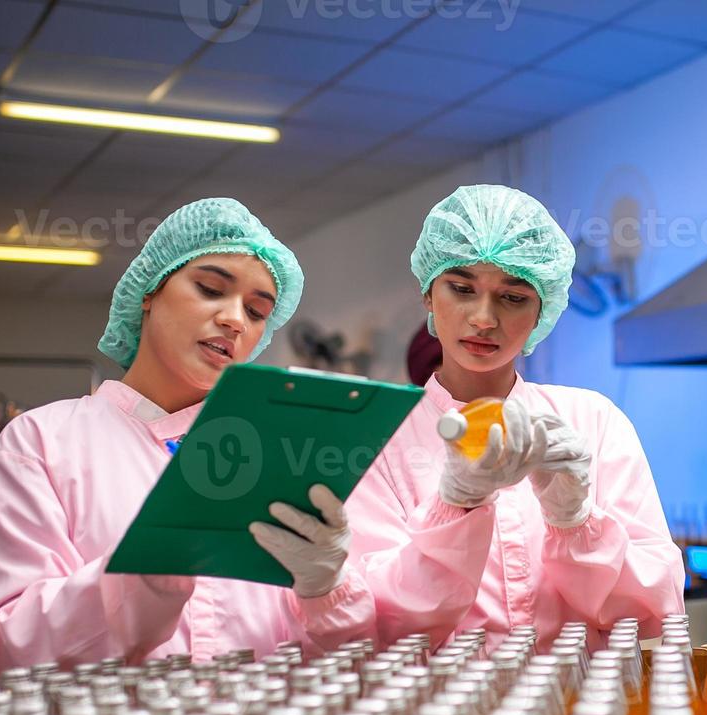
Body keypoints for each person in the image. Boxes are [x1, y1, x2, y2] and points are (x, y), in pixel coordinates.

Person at [0, 198, 371, 670]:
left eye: (257, 312)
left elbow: (337, 659)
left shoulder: (272, 454)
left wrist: (327, 590)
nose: (235, 320)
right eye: (210, 288)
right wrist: (142, 574)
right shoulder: (40, 443)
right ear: (149, 290)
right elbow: (7, 649)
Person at [280, 184, 684, 646]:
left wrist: (576, 521)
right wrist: (455, 507)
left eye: (513, 297)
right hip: (434, 712)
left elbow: (653, 614)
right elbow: (371, 628)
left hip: (578, 709)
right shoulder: (374, 435)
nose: (484, 318)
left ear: (542, 312)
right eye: (461, 288)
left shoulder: (593, 422)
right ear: (429, 295)